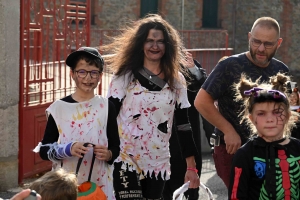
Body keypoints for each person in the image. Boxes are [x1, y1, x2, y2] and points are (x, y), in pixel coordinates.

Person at [103, 14, 200, 200]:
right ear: (141, 44)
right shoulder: (125, 76)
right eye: (149, 41)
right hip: (125, 158)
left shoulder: (177, 80)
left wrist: (191, 166)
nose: (155, 46)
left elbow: (183, 126)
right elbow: (108, 114)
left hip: (158, 162)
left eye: (160, 41)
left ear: (168, 45)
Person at [194, 16, 289, 188]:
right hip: (232, 150)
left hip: (270, 150)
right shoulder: (229, 66)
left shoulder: (281, 70)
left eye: (268, 44)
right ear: (249, 37)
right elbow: (201, 101)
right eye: (256, 41)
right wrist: (228, 130)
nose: (260, 48)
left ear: (279, 43)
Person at [34, 47, 120, 200]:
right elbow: (44, 149)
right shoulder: (59, 108)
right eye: (82, 72)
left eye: (94, 72)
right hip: (66, 187)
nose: (88, 78)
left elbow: (115, 147)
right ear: (72, 74)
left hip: (99, 185)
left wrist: (108, 154)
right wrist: (68, 149)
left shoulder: (107, 107)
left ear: (100, 76)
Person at [228, 73, 300, 199]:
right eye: (261, 113)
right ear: (251, 119)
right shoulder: (245, 155)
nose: (270, 119)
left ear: (288, 116)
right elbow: (236, 196)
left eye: (277, 112)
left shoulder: (298, 148)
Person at [163, 52, 212, 200]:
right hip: (158, 143)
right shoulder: (148, 70)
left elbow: (206, 88)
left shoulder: (186, 65)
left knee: (190, 188)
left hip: (187, 139)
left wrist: (192, 69)